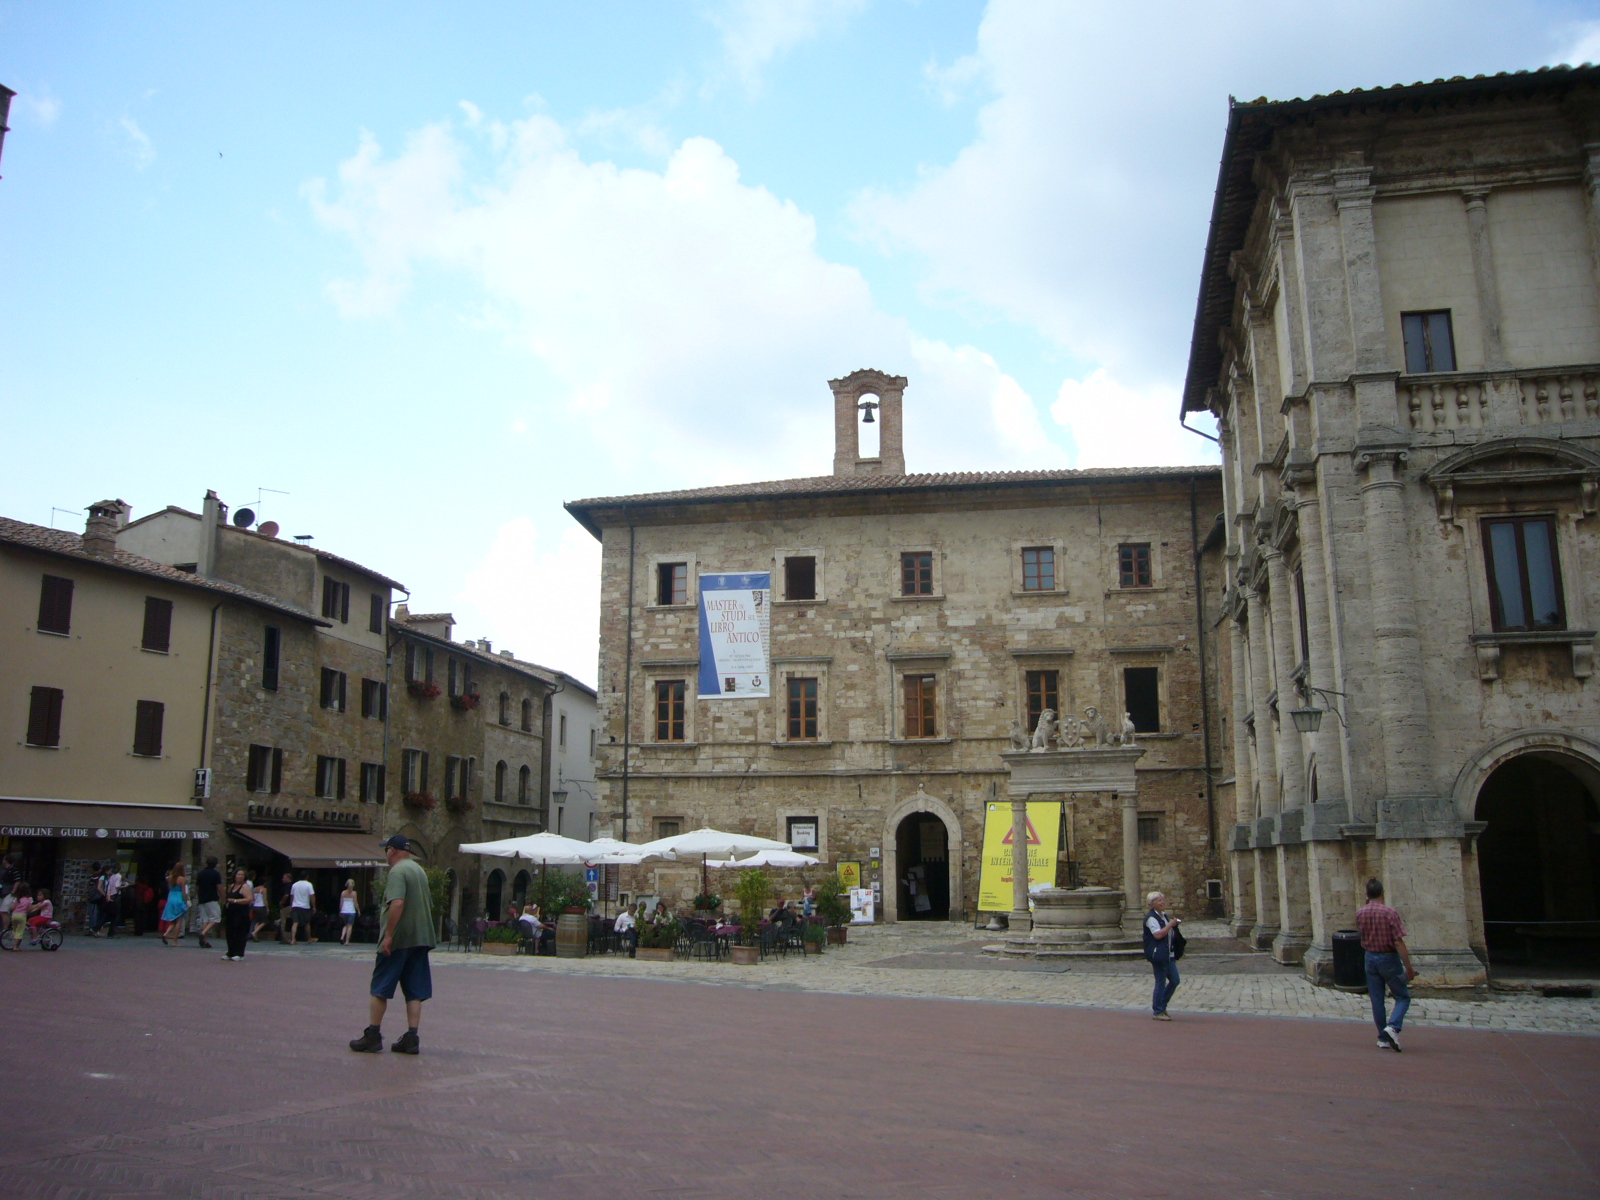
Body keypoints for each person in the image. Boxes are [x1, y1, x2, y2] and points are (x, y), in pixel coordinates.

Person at [349, 835, 434, 1056]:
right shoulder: (418, 870)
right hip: (420, 938)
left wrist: (388, 936)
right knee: (415, 991)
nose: (386, 854)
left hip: (399, 939)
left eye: (386, 850)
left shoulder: (397, 871)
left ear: (393, 850)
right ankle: (412, 1037)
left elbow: (398, 902)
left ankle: (373, 1035)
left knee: (380, 987)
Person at [1357, 877, 1418, 1052]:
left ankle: (1382, 1037)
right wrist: (1408, 967)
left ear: (1367, 894)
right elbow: (1398, 941)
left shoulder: (1360, 913)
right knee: (1402, 996)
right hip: (1388, 957)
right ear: (1383, 893)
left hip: (1370, 957)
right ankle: (1393, 1026)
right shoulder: (1389, 913)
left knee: (1377, 999)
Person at [1143, 891, 1182, 1021]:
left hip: (1168, 954)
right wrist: (1170, 925)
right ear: (1152, 904)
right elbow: (1158, 935)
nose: (1162, 902)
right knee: (1160, 982)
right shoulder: (1151, 918)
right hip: (1159, 955)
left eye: (1163, 899)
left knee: (1175, 980)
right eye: (1159, 900)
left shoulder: (1163, 915)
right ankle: (1158, 1010)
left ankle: (1161, 1004)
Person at [194, 856, 223, 949]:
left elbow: (197, 887)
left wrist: (199, 895)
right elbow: (219, 887)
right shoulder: (216, 874)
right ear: (215, 864)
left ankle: (205, 941)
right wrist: (224, 898)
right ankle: (203, 934)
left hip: (202, 899)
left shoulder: (201, 873)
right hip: (212, 898)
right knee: (216, 918)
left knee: (205, 920)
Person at [161, 865, 190, 946]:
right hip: (179, 898)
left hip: (171, 898)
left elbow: (170, 889)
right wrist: (186, 901)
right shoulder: (183, 879)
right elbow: (184, 892)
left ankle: (166, 933)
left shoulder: (170, 878)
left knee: (174, 920)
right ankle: (175, 941)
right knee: (179, 921)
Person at [288, 873, 316, 944]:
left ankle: (293, 939)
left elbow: (292, 896)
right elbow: (312, 896)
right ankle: (309, 938)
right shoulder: (309, 884)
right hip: (305, 906)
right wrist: (314, 906)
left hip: (295, 906)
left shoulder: (294, 885)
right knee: (307, 923)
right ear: (307, 877)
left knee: (295, 922)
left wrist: (291, 905)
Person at [339, 879, 359, 945]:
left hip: (344, 911)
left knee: (345, 925)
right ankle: (347, 941)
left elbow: (341, 903)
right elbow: (355, 903)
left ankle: (342, 937)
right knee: (350, 926)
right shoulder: (354, 893)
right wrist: (358, 910)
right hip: (351, 911)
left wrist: (340, 910)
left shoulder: (343, 893)